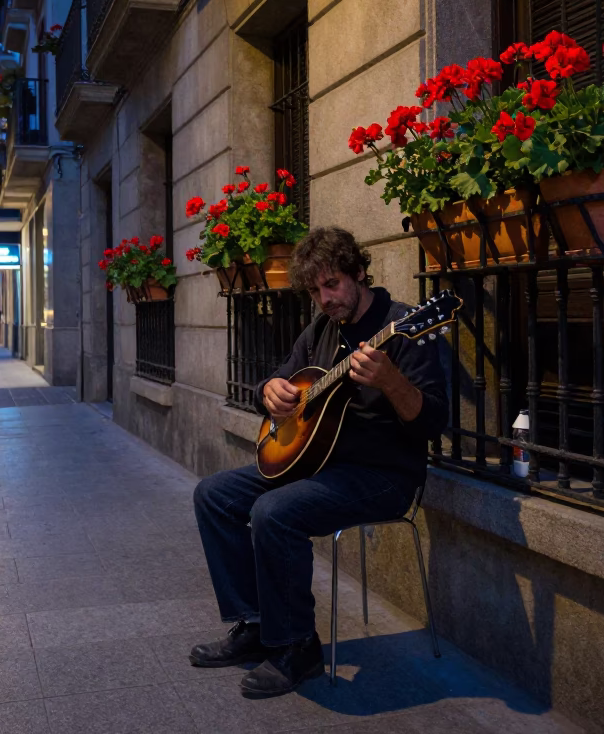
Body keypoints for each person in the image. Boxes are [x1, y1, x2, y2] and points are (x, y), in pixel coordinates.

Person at [190, 227, 449, 699]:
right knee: (214, 495)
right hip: (318, 468)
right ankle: (255, 624)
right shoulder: (321, 332)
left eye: (332, 285)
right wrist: (267, 393)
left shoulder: (406, 326)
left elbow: (432, 422)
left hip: (382, 476)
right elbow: (281, 380)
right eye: (314, 291)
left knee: (275, 512)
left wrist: (391, 382)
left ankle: (296, 647)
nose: (325, 299)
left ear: (358, 273)